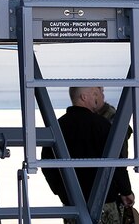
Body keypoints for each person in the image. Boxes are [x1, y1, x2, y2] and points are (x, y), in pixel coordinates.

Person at [42, 86, 135, 224]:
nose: (98, 98)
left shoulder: (57, 127)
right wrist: (126, 191)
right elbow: (116, 163)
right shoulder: (102, 125)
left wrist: (62, 192)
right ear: (84, 97)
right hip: (105, 203)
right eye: (94, 94)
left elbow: (47, 164)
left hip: (72, 205)